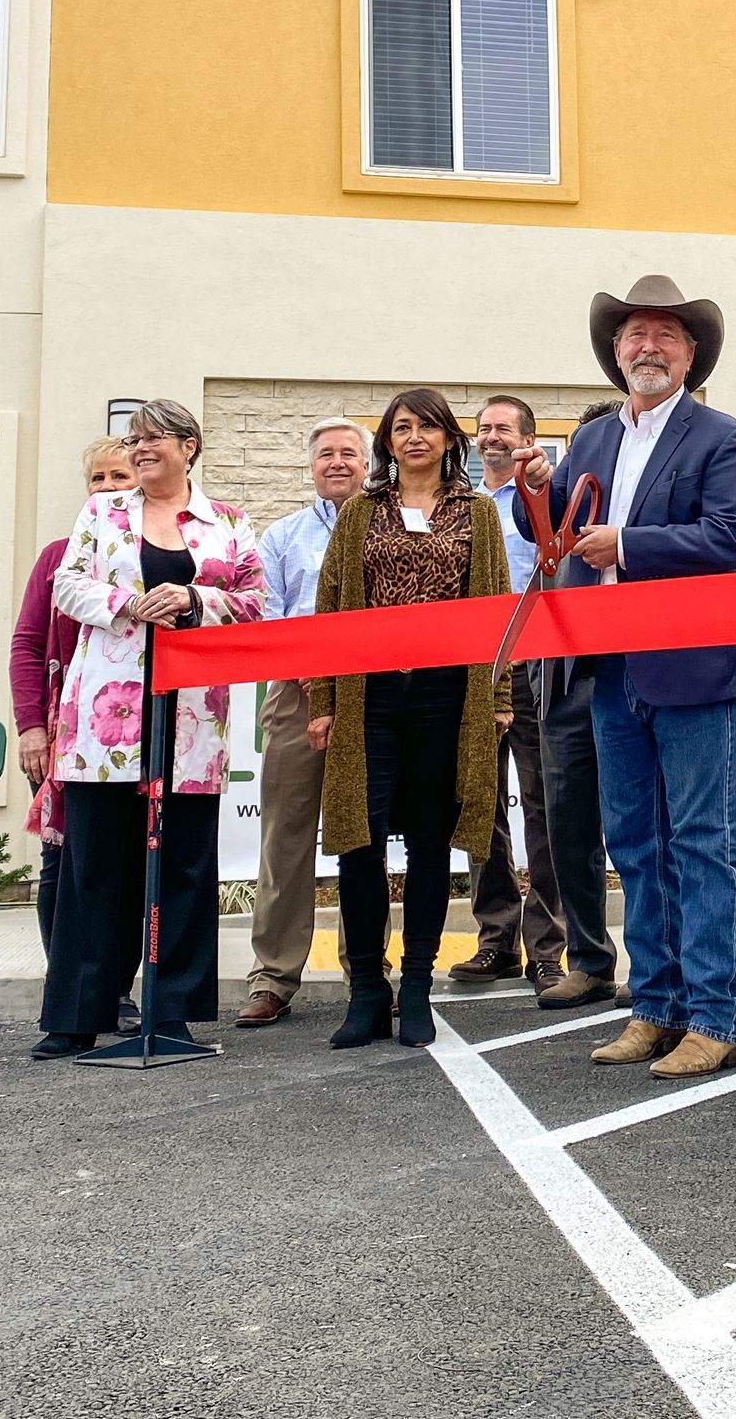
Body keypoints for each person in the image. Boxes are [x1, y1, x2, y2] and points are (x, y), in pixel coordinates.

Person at [514, 276, 736, 1081]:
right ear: (615, 352)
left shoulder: (723, 436)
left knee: (705, 844)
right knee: (638, 847)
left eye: (664, 335)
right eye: (632, 335)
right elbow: (553, 532)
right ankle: (654, 1008)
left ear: (691, 354)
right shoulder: (590, 442)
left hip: (694, 668)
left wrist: (629, 545)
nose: (646, 347)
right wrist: (531, 495)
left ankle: (719, 1016)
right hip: (609, 667)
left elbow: (731, 537)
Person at [38, 400, 265, 1060]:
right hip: (105, 721)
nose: (138, 450)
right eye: (133, 440)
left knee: (186, 867)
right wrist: (126, 604)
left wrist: (199, 600)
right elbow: (67, 585)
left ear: (188, 446)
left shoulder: (226, 522)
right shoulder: (101, 514)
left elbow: (255, 602)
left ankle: (173, 1013)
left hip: (193, 718)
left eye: (152, 439)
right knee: (95, 867)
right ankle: (79, 1013)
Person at [306, 389, 516, 1051]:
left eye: (427, 426)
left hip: (446, 697)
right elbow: (330, 604)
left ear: (451, 440)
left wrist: (500, 694)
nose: (415, 437)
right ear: (387, 443)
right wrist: (322, 702)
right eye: (402, 427)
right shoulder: (361, 513)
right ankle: (368, 989)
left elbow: (499, 610)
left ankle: (418, 987)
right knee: (359, 842)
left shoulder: (477, 514)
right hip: (368, 694)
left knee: (430, 842)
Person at [237, 418, 370, 1027]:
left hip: (371, 697)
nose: (337, 462)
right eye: (326, 455)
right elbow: (264, 620)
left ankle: (366, 973)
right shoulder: (282, 537)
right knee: (285, 838)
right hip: (296, 696)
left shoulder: (386, 531)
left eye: (349, 453)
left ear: (368, 464)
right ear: (311, 466)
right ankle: (273, 977)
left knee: (361, 840)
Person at [519, 397, 641, 1013]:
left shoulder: (655, 481)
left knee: (637, 826)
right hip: (566, 668)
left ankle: (651, 969)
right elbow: (534, 526)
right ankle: (589, 961)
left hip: (636, 670)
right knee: (567, 823)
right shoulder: (580, 463)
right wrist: (536, 486)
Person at [447, 394, 569, 991]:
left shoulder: (543, 497)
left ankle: (549, 945)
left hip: (534, 667)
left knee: (543, 803)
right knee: (479, 804)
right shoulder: (459, 506)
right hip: (472, 669)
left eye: (503, 428)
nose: (491, 437)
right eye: (483, 428)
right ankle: (495, 940)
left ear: (528, 438)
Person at [13, 436, 136, 957]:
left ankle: (117, 993)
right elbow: (28, 644)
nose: (107, 488)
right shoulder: (56, 559)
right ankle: (64, 985)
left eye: (120, 477)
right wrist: (31, 729)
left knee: (127, 865)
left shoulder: (154, 558)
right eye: (97, 479)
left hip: (135, 737)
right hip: (66, 737)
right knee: (63, 866)